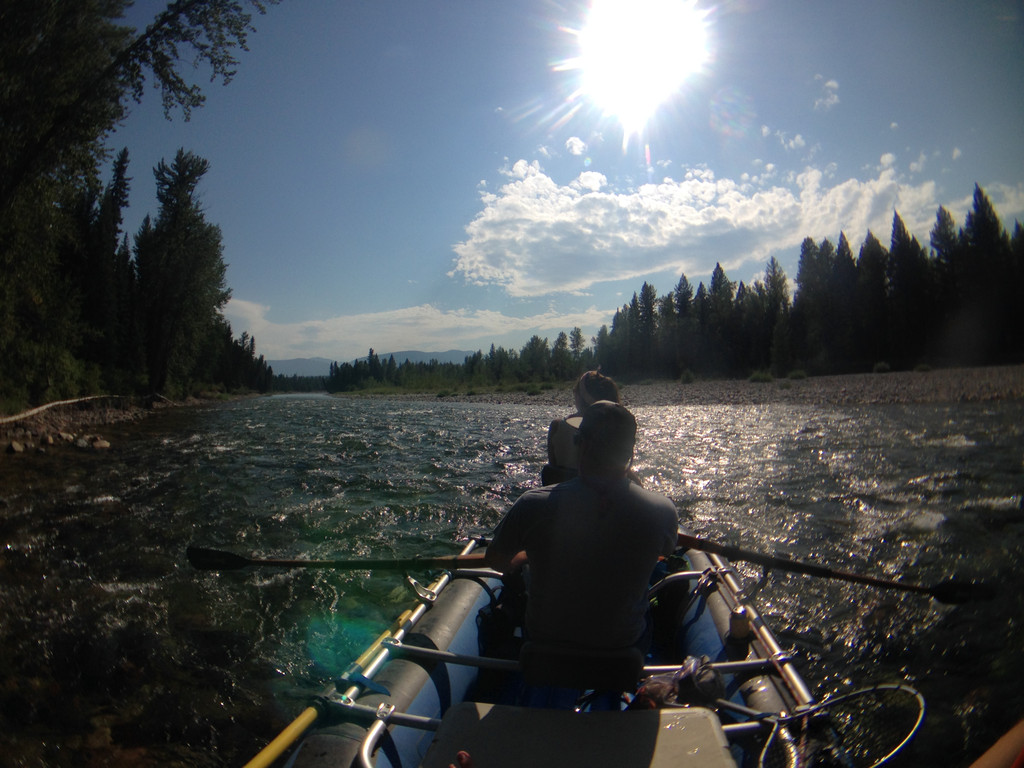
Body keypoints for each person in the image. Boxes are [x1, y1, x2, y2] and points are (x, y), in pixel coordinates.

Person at [485, 401, 678, 652]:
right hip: (622, 649)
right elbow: (665, 552)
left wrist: (525, 557)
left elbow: (496, 561)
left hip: (546, 645)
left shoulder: (532, 504)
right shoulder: (662, 511)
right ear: (630, 452)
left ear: (581, 444)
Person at [542, 370, 622, 485]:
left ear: (582, 396)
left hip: (563, 497)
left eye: (575, 391)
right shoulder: (617, 428)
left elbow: (552, 469)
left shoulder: (557, 426)